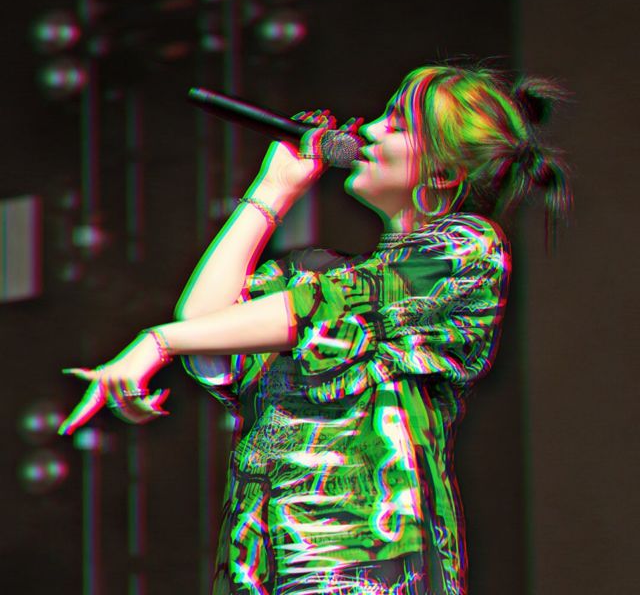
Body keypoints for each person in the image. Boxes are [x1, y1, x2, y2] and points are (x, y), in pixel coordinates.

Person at [58, 63, 571, 594]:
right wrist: (272, 190)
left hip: (369, 572)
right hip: (264, 569)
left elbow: (312, 311)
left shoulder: (466, 254)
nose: (368, 129)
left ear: (442, 174)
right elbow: (204, 324)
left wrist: (156, 342)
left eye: (396, 124)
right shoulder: (311, 274)